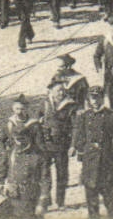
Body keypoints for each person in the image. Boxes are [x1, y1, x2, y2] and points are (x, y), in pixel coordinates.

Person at [71, 83, 113, 217]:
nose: (95, 101)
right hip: (89, 156)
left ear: (102, 98)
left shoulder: (111, 115)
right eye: (92, 98)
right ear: (88, 99)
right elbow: (79, 134)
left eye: (97, 98)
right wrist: (77, 149)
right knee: (90, 187)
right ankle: (93, 215)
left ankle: (110, 211)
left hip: (105, 155)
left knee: (107, 187)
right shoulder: (84, 116)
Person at [43, 55, 89, 209]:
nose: (58, 69)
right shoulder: (55, 78)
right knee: (45, 171)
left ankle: (84, 174)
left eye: (62, 67)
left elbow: (83, 100)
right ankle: (46, 198)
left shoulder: (79, 80)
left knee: (77, 150)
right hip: (50, 138)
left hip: (71, 119)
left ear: (68, 67)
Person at [0, 96, 49, 216]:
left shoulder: (34, 125)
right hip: (14, 191)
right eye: (17, 109)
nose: (19, 112)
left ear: (26, 109)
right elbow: (3, 141)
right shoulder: (9, 124)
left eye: (22, 109)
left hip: (30, 192)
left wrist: (42, 201)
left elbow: (40, 145)